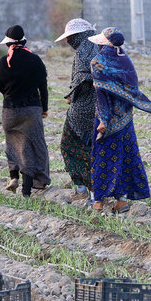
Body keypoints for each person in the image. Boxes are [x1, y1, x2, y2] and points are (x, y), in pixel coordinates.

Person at [88, 27, 151, 213]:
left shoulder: (98, 62)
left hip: (107, 121)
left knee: (102, 158)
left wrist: (103, 120)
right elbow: (133, 88)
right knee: (124, 158)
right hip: (125, 119)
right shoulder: (126, 60)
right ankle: (121, 201)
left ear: (104, 42)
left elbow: (101, 95)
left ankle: (98, 202)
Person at [0, 25, 51, 197]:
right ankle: (33, 185)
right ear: (23, 41)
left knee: (13, 144)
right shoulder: (35, 60)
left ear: (8, 44)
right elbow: (43, 86)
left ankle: (13, 177)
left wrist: (9, 94)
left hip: (10, 111)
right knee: (35, 146)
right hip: (32, 109)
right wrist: (44, 107)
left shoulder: (4, 61)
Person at [54, 19, 99, 202]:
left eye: (70, 37)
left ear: (78, 35)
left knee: (69, 145)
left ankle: (85, 188)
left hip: (81, 110)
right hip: (100, 108)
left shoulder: (82, 51)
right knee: (94, 149)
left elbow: (81, 78)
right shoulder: (99, 46)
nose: (68, 41)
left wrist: (70, 96)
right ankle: (96, 192)